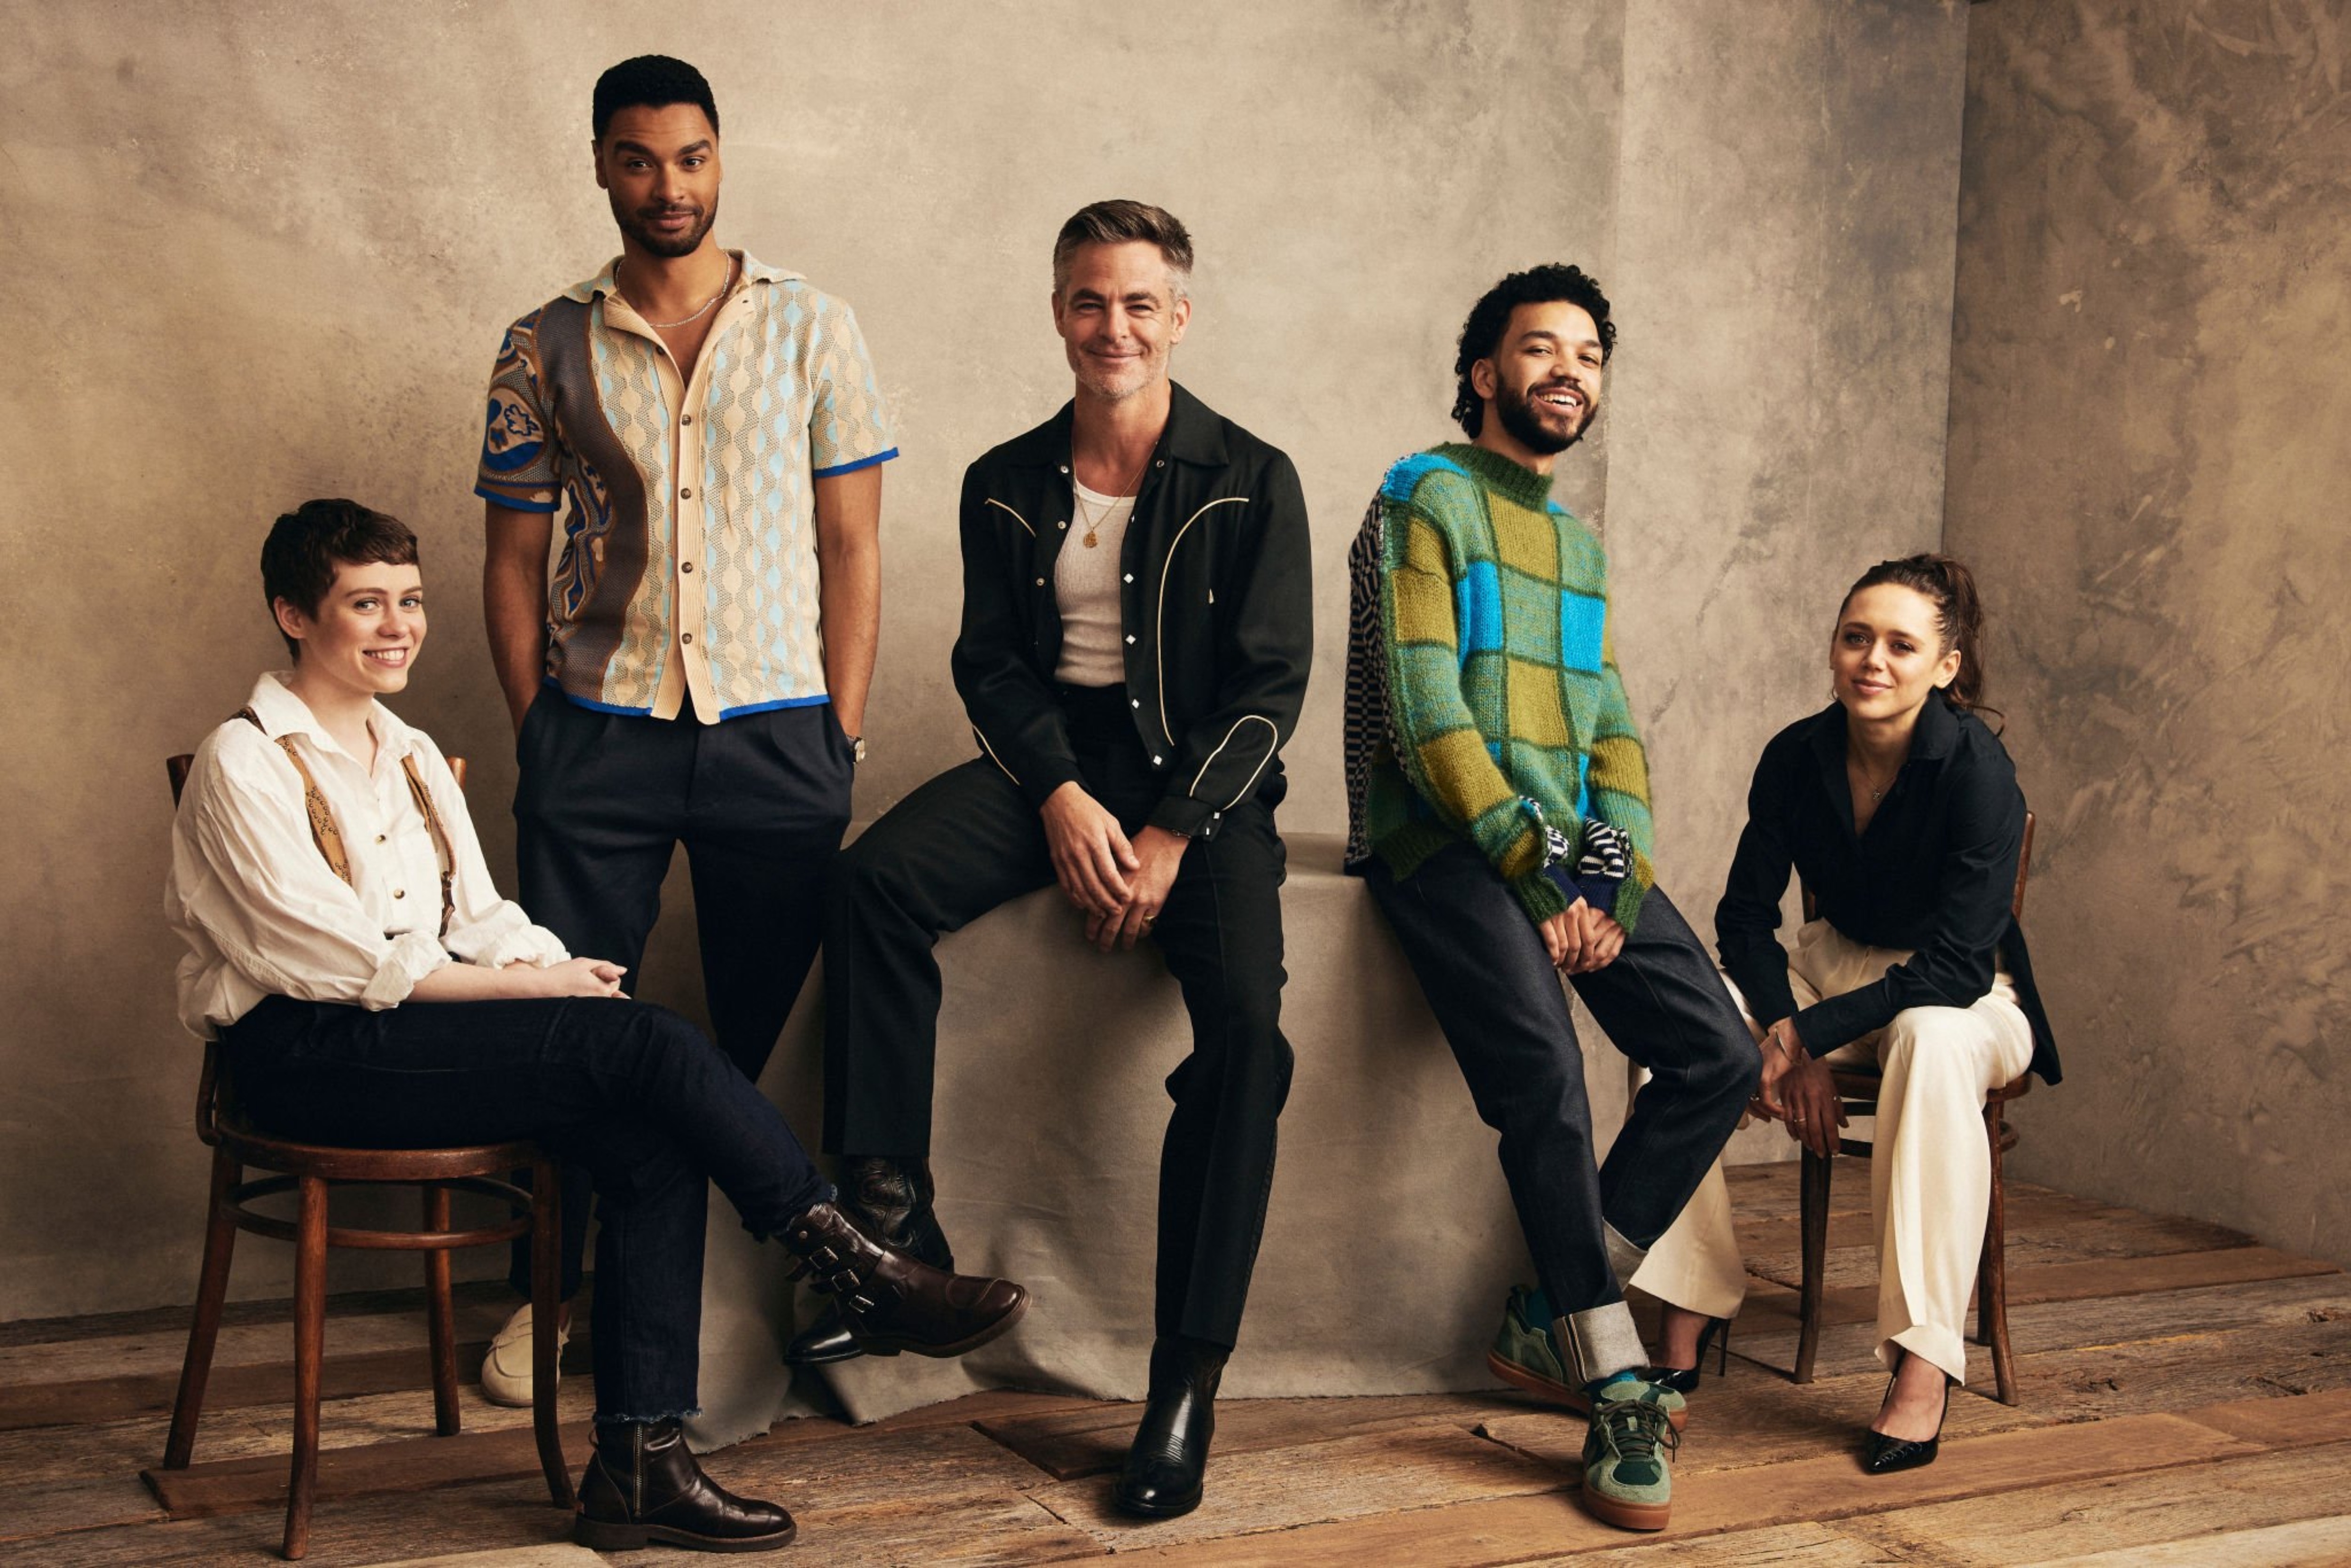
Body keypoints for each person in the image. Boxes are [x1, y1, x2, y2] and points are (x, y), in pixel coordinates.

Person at [167, 500, 1025, 1554]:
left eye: (411, 601)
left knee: (648, 1134)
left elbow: (480, 919)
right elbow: (328, 959)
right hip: (301, 1058)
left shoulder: (411, 753)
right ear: (295, 616)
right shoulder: (244, 759)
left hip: (407, 1042)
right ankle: (862, 1265)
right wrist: (534, 996)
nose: (399, 627)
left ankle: (639, 1468)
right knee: (645, 1047)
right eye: (366, 604)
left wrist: (554, 973)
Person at [808, 200, 1311, 1518]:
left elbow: (1270, 688)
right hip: (1057, 768)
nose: (1113, 327)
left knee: (1248, 1041)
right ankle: (890, 1224)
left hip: (1202, 790)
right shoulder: (1004, 479)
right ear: (1057, 314)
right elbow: (990, 666)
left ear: (1179, 317)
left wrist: (1169, 830)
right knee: (870, 884)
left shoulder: (1253, 477)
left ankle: (1183, 1385)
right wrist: (1059, 795)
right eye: (1090, 301)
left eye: (1139, 303)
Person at [474, 55, 895, 1404]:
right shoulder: (542, 343)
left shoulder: (815, 327)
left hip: (777, 735)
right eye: (642, 160)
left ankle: (718, 1307)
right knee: (566, 1033)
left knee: (769, 1034)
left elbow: (854, 546)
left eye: (693, 157)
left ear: (722, 158)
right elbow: (510, 559)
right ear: (603, 165)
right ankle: (554, 1295)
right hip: (597, 732)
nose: (671, 186)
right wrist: (540, 729)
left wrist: (840, 729)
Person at [1344, 264, 1759, 1532]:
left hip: (1563, 848)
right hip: (1439, 841)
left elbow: (1613, 738)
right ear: (1486, 373)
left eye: (1587, 354)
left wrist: (1603, 878)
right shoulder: (1422, 497)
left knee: (1719, 1053)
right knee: (1546, 1071)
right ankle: (1613, 1374)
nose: (1567, 371)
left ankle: (1552, 1314)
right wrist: (1535, 874)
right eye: (1539, 348)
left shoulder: (1579, 547)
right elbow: (1426, 720)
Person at [1637, 553, 2061, 1474]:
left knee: (1929, 1039)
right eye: (1856, 637)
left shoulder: (1978, 771)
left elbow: (1954, 966)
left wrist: (1799, 1036)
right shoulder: (1796, 755)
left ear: (1945, 667)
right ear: (1833, 650)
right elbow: (1744, 919)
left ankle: (1922, 1361)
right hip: (1829, 970)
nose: (1873, 660)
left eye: (1901, 645)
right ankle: (1689, 1294)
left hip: (1966, 994)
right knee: (1685, 1022)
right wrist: (1793, 1039)